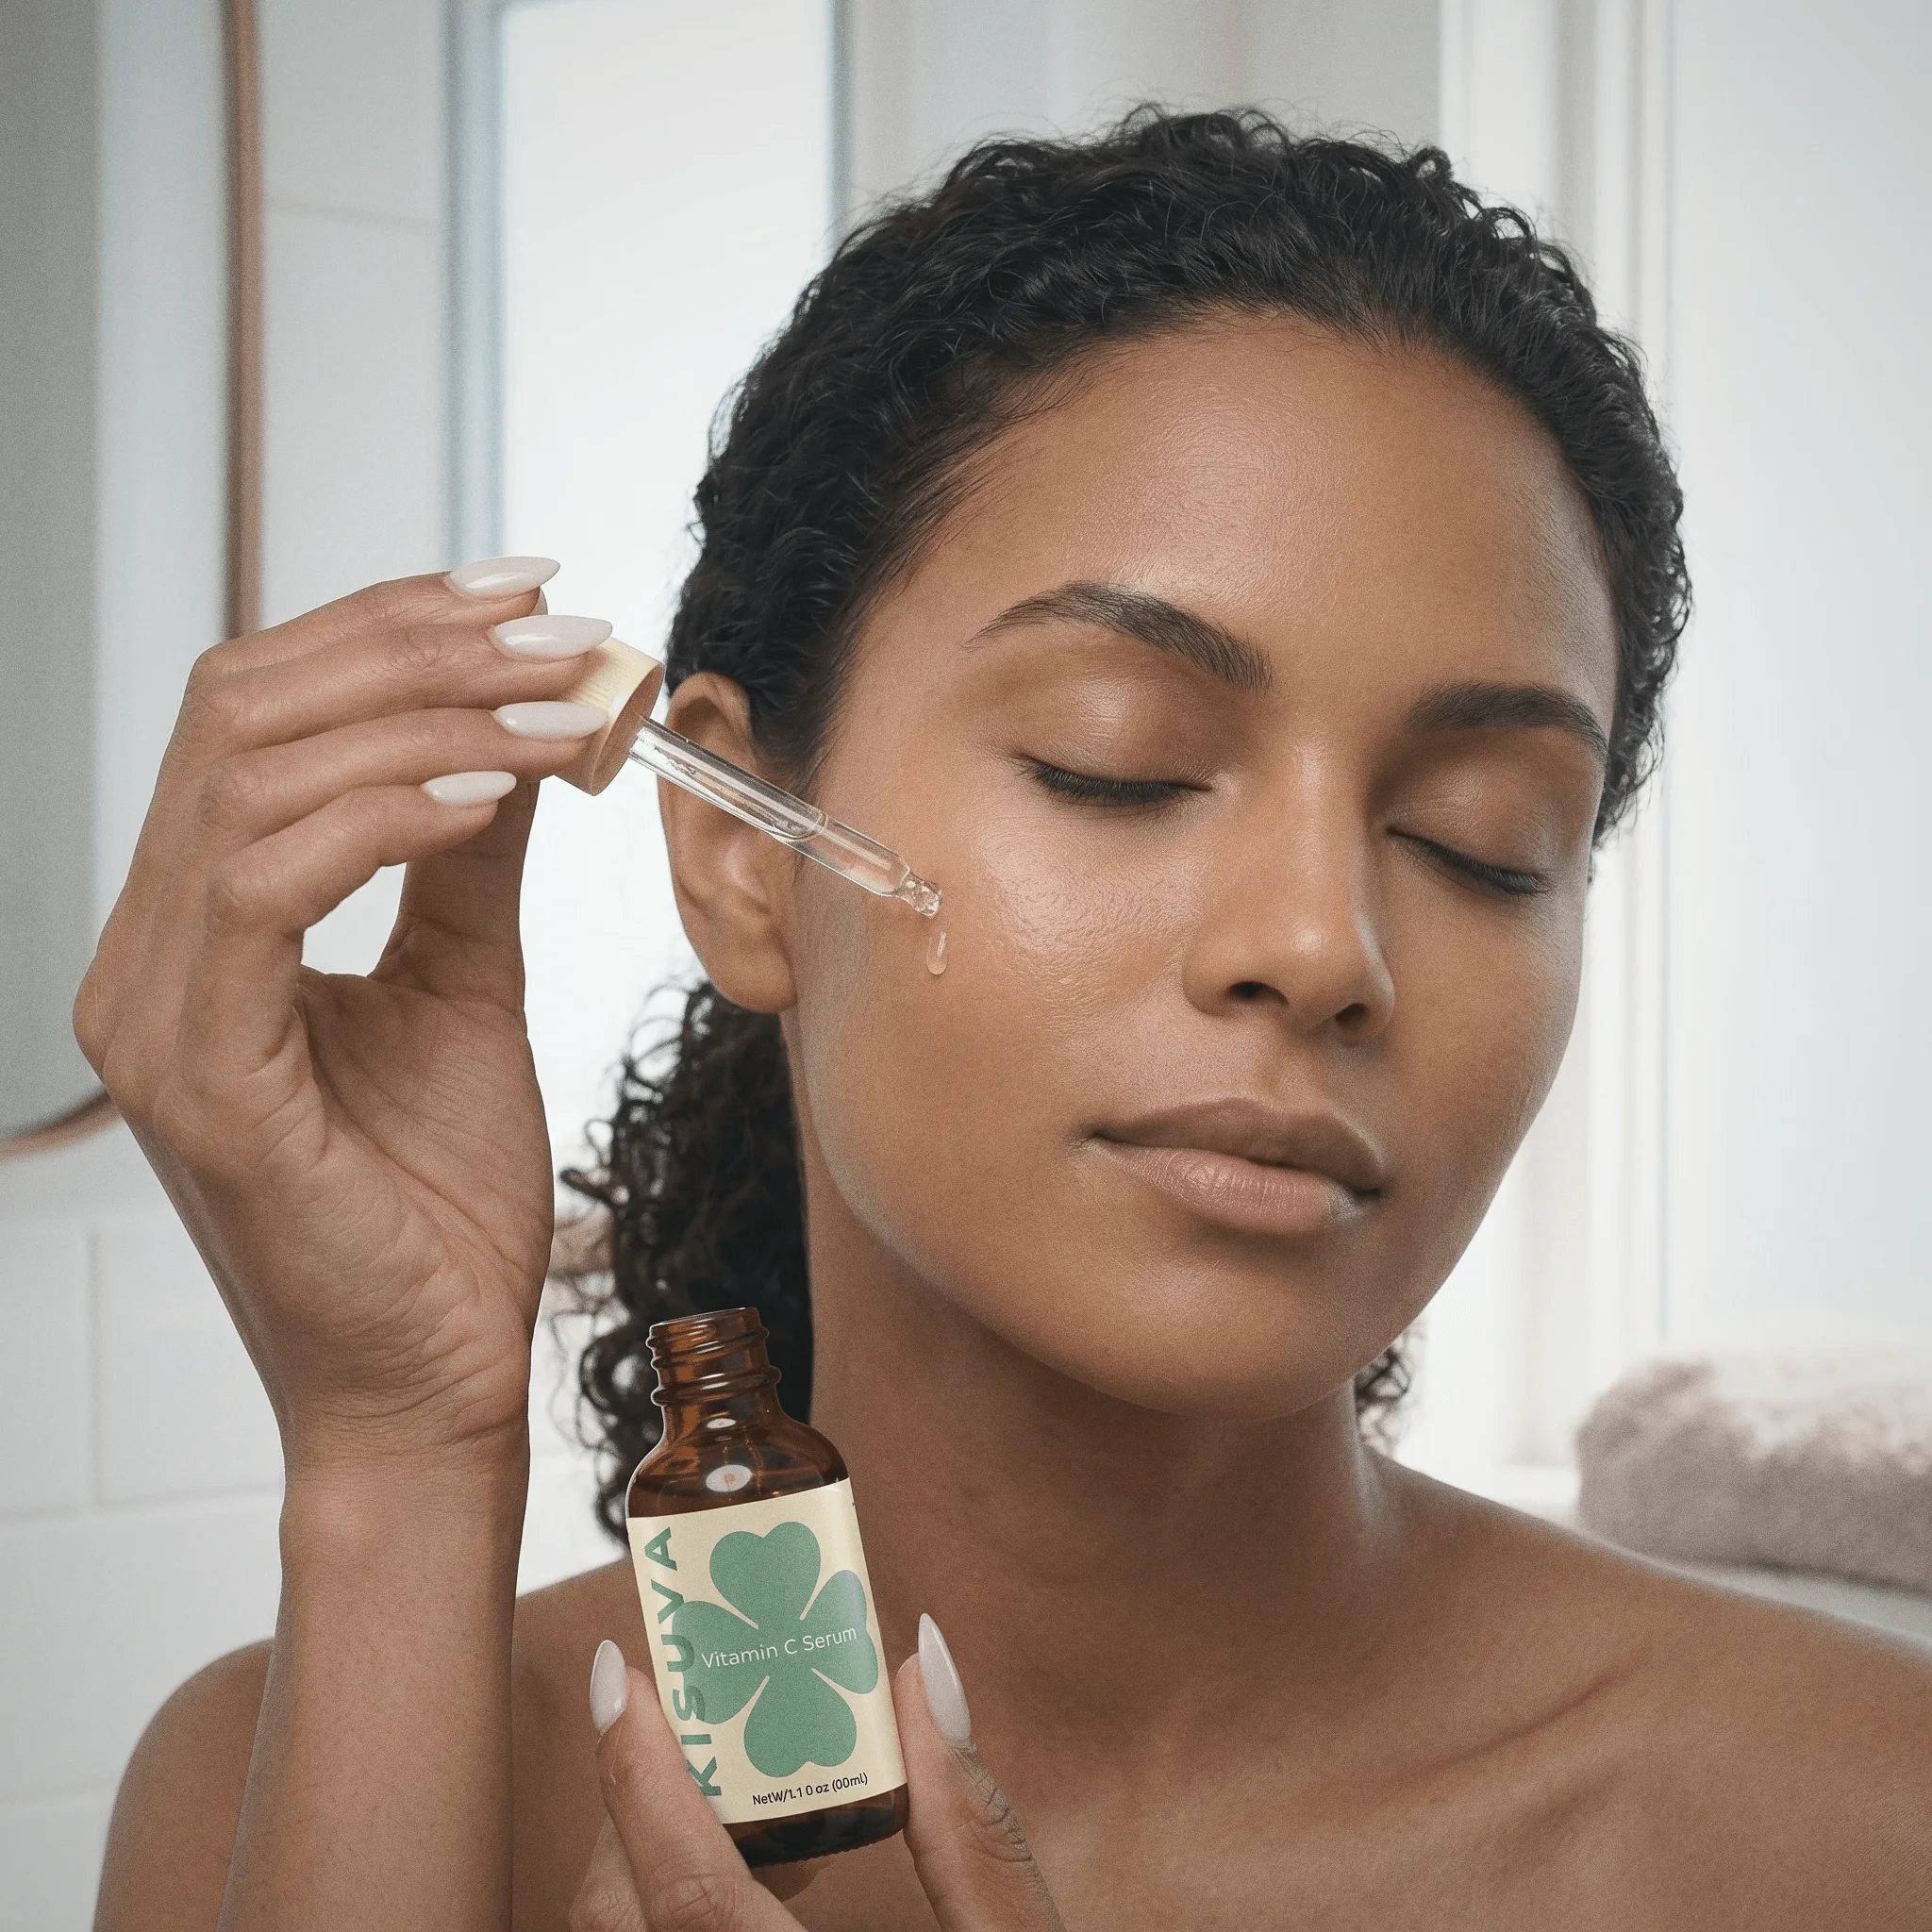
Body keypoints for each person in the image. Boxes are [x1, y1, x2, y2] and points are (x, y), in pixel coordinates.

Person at [81, 111, 1930, 1932]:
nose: (1316, 943)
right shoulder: (286, 1784)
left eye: (1482, 842)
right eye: (1111, 765)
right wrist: (398, 1456)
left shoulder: (1860, 1825)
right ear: (744, 857)